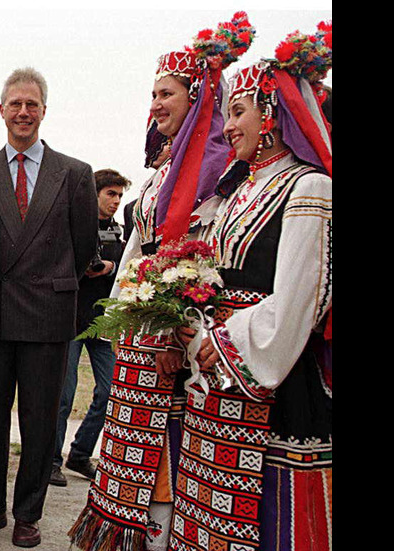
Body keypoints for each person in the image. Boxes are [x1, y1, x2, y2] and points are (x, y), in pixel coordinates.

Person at [68, 12, 253, 551]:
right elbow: (139, 249)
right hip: (142, 322)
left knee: (166, 447)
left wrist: (176, 330)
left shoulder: (218, 168)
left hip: (172, 330)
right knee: (131, 445)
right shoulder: (164, 165)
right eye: (152, 94)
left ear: (196, 98)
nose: (154, 105)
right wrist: (123, 315)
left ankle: (157, 539)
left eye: (167, 93)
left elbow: (203, 261)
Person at [173, 23, 332, 551]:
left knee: (265, 518)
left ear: (272, 115)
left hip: (271, 377)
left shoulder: (309, 187)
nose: (227, 127)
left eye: (238, 112)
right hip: (214, 373)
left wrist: (219, 345)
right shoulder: (237, 190)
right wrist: (192, 330)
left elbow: (298, 300)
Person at [0, 67, 98, 549]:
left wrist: (54, 283)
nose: (23, 112)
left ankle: (27, 513)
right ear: (1, 111)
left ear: (43, 110)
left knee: (40, 422)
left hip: (48, 316)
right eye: (14, 104)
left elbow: (84, 250)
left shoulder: (75, 174)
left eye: (31, 104)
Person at [50, 168, 129, 488]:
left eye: (120, 195)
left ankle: (80, 453)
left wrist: (110, 266)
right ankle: (51, 460)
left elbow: (126, 262)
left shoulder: (120, 231)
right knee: (63, 395)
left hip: (102, 325)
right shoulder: (74, 225)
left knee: (111, 392)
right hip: (70, 321)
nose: (116, 201)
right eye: (110, 194)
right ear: (94, 194)